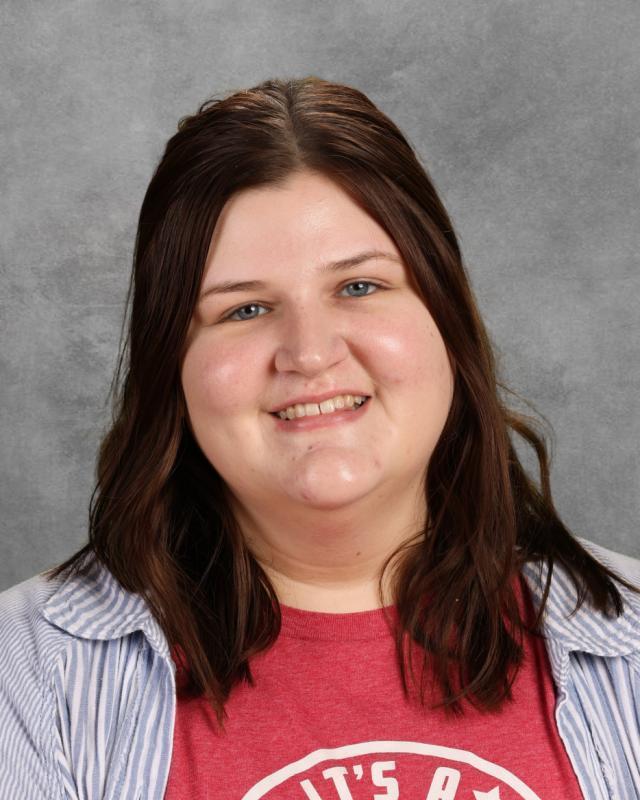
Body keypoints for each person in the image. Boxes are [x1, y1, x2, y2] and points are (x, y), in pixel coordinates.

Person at [0, 76, 638, 800]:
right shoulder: (23, 676)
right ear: (170, 363)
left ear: (445, 318)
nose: (308, 352)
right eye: (245, 309)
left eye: (359, 287)